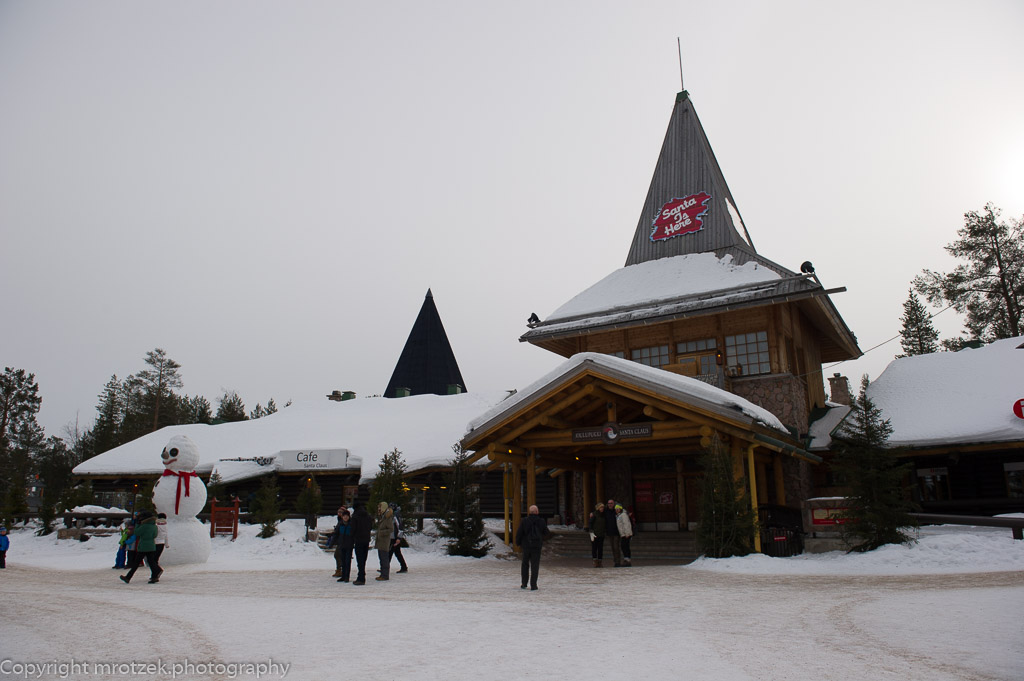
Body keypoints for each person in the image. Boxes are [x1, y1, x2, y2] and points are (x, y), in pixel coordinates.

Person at [120, 511, 161, 584]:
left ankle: (128, 577)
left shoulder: (144, 526)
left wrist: (137, 525)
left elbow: (137, 532)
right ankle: (155, 575)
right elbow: (155, 535)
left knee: (136, 563)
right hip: (151, 545)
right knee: (151, 562)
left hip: (143, 546)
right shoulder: (154, 526)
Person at [514, 505, 550, 590]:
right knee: (535, 565)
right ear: (537, 512)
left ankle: (524, 583)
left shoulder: (524, 521)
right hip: (536, 546)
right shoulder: (541, 521)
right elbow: (546, 533)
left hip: (526, 545)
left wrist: (518, 543)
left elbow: (519, 533)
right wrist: (541, 539)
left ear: (529, 512)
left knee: (525, 564)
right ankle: (533, 585)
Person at [349, 502, 372, 585]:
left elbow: (353, 529)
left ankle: (361, 577)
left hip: (358, 540)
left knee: (360, 559)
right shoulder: (367, 516)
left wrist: (352, 537)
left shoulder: (355, 516)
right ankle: (362, 575)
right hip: (366, 539)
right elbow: (370, 527)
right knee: (364, 559)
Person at [333, 509, 354, 582]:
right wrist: (332, 542)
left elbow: (354, 534)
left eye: (347, 516)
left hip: (349, 545)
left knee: (347, 561)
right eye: (344, 516)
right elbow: (336, 534)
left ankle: (347, 577)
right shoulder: (340, 524)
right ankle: (343, 576)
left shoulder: (351, 524)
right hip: (341, 545)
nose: (345, 517)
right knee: (343, 561)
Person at [374, 501, 394, 581]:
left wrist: (381, 533)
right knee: (382, 558)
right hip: (381, 541)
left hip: (384, 541)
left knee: (384, 558)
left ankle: (385, 575)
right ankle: (383, 573)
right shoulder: (382, 517)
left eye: (380, 507)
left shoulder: (387, 517)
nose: (378, 509)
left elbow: (391, 529)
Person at [388, 502, 408, 574]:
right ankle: (404, 566)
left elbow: (400, 527)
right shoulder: (394, 515)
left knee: (390, 552)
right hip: (394, 536)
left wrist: (399, 537)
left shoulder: (395, 516)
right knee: (397, 552)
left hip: (394, 537)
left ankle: (385, 567)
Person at [587, 502, 606, 568]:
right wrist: (591, 531)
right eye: (601, 507)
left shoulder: (604, 515)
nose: (602, 509)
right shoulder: (594, 515)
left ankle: (600, 561)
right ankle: (595, 561)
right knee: (594, 548)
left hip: (601, 534)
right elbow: (590, 523)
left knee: (600, 548)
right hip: (595, 534)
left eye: (603, 507)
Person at [604, 498, 622, 567]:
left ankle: (618, 561)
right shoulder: (606, 511)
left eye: (611, 503)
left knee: (616, 547)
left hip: (616, 532)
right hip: (609, 532)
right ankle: (615, 560)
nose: (610, 505)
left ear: (614, 504)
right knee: (612, 547)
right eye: (609, 503)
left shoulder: (616, 511)